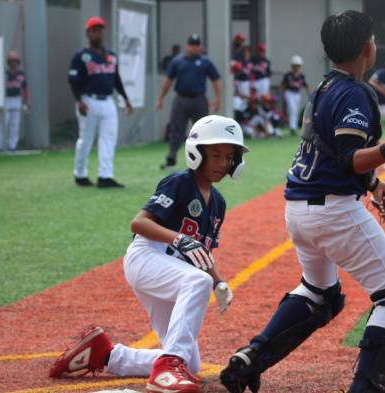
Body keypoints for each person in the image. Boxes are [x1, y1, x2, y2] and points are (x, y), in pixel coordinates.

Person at [220, 10, 385, 393]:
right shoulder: (355, 91)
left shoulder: (323, 87)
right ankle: (366, 388)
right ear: (368, 48)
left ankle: (250, 359)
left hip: (299, 210)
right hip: (333, 211)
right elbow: (349, 157)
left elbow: (334, 155)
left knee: (320, 295)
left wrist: (375, 186)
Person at [49, 115, 250, 393]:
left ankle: (105, 354)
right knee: (196, 283)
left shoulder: (218, 202)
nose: (222, 163)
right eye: (215, 155)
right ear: (196, 153)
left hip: (173, 272)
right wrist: (179, 239)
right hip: (147, 257)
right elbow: (139, 223)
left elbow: (201, 253)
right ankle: (167, 369)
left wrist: (218, 280)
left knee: (190, 364)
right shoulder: (179, 182)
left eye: (229, 157)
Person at [68, 16, 133, 188]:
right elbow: (73, 80)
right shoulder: (81, 56)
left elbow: (116, 78)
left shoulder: (110, 55)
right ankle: (80, 173)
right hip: (88, 100)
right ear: (88, 33)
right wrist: (78, 101)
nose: (98, 33)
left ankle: (105, 176)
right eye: (94, 30)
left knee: (108, 139)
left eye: (100, 30)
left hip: (108, 102)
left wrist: (125, 99)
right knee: (86, 139)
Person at [156, 34, 221, 171]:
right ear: (187, 45)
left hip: (199, 99)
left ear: (200, 47)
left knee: (203, 131)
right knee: (176, 129)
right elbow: (168, 80)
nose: (194, 48)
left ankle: (205, 160)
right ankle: (171, 158)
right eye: (192, 45)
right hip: (181, 99)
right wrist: (160, 98)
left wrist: (217, 98)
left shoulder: (205, 62)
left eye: (197, 45)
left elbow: (215, 79)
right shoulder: (178, 61)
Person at [0, 50, 29, 152]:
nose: (13, 63)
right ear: (8, 62)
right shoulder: (4, 74)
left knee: (15, 124)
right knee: (3, 123)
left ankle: (12, 145)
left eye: (15, 61)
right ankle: (0, 145)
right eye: (11, 61)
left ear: (18, 62)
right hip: (5, 99)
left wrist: (26, 103)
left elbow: (25, 89)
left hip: (17, 99)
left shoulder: (21, 74)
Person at [280, 55, 310, 135]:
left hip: (297, 94)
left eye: (298, 66)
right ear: (292, 66)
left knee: (295, 110)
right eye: (295, 66)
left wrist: (310, 95)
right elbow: (282, 85)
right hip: (289, 93)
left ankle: (293, 127)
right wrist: (281, 94)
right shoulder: (288, 75)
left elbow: (306, 86)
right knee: (292, 109)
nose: (296, 67)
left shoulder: (301, 76)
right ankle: (292, 127)